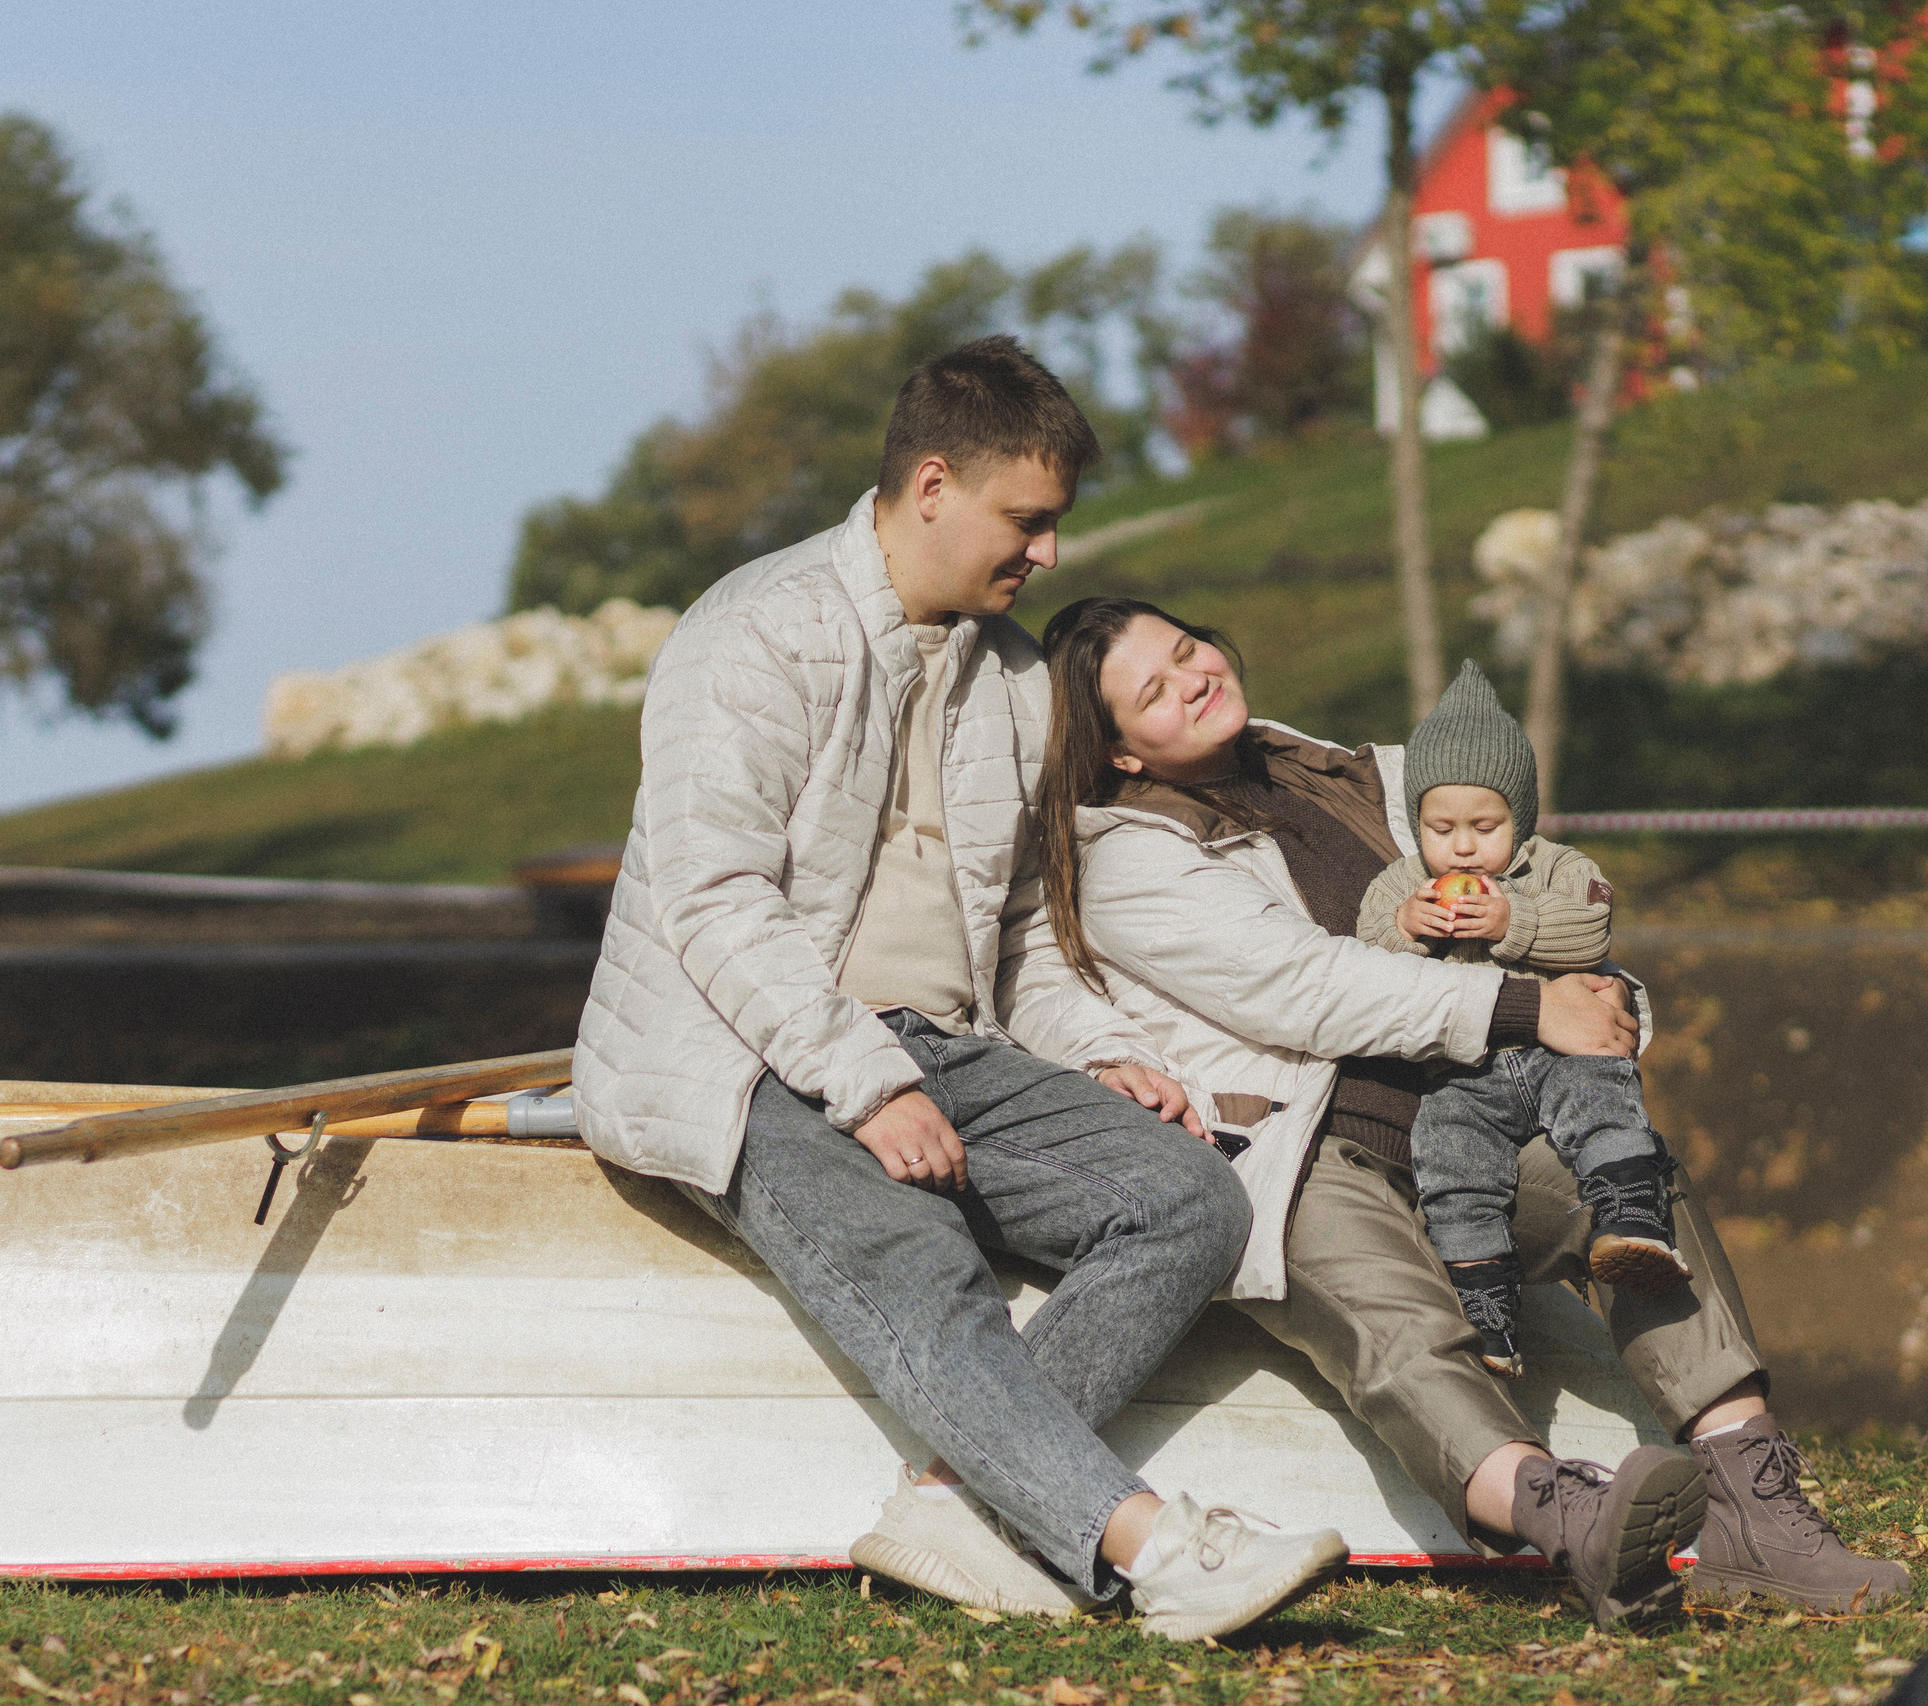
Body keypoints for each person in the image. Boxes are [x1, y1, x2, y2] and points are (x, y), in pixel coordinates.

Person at [573, 340, 1347, 1640]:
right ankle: (1159, 1552)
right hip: (741, 1054)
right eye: (1026, 520)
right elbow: (712, 899)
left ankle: (950, 1500)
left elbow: (1024, 928)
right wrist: (866, 1082)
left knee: (1187, 1200)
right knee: (923, 1258)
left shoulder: (1012, 680)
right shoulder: (751, 633)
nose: (1046, 556)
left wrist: (1094, 1046)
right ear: (932, 484)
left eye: (1054, 526)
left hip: (944, 1048)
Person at [1021, 594, 1912, 1623]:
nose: (1193, 678)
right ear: (1121, 751)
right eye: (1155, 690)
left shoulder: (1371, 774)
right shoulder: (1130, 852)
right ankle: (1569, 1522)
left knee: (1628, 1183)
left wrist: (1605, 994)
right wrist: (1535, 1005)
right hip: (1307, 1142)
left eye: (1188, 649)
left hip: (1475, 1106)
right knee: (1397, 1329)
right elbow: (1304, 986)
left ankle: (1757, 1505)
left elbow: (1540, 896)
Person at [1355, 660, 1686, 1379]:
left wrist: (1513, 919)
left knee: (1602, 1096)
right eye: (1442, 828)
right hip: (1460, 1075)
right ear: (1418, 823)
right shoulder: (1402, 883)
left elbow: (1591, 929)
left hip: (1556, 1052)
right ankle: (1485, 1309)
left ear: (1522, 817)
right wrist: (1407, 925)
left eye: (1486, 825)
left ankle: (1631, 1218)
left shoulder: (1559, 867)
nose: (1463, 847)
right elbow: (1362, 959)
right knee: (1451, 1166)